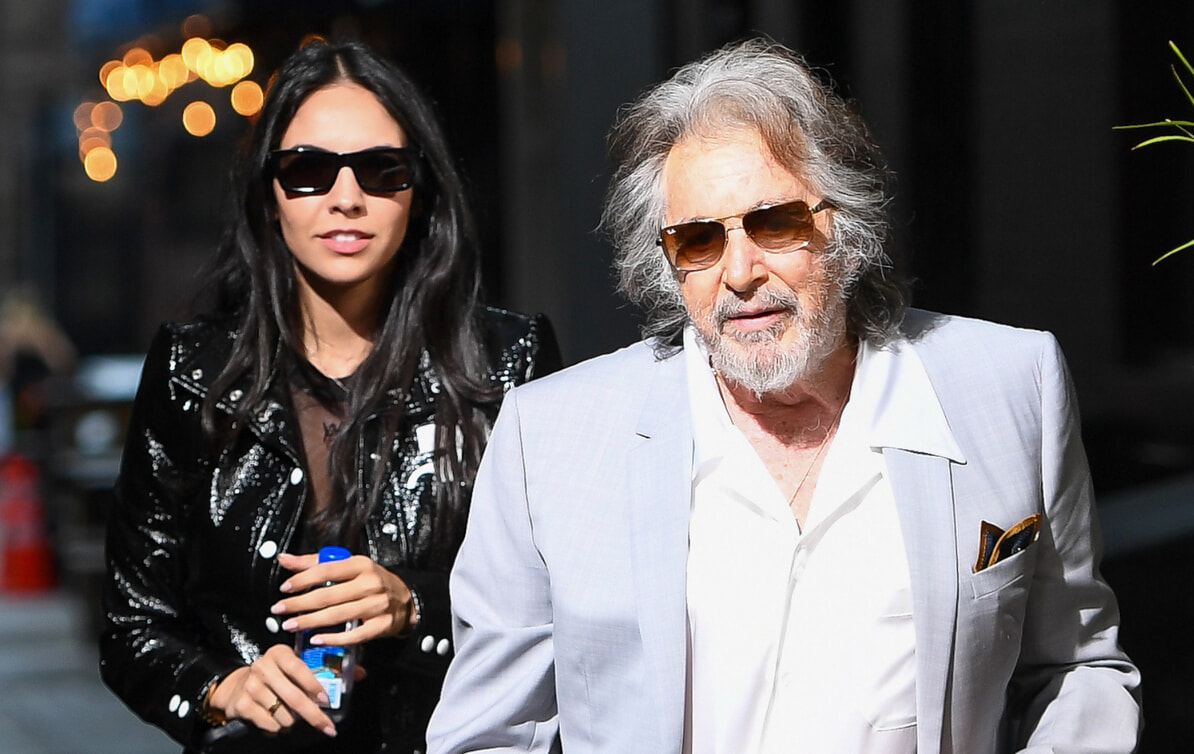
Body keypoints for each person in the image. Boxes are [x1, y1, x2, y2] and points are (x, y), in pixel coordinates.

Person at [426, 38, 1141, 753]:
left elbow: (1076, 666)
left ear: (848, 226)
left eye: (775, 224)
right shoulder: (547, 437)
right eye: (698, 240)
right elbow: (490, 733)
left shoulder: (1012, 384)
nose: (740, 272)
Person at [100, 38, 560, 754]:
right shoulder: (191, 372)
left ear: (419, 190)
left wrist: (415, 605)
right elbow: (132, 624)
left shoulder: (508, 364)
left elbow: (566, 602)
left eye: (381, 170)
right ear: (269, 191)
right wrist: (222, 689)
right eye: (309, 170)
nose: (346, 197)